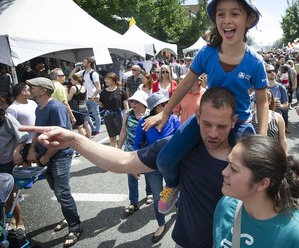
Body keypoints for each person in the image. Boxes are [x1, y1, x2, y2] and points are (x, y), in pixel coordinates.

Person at [20, 87, 237, 248]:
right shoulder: (179, 147)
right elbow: (123, 161)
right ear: (197, 117)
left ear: (234, 121)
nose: (213, 133)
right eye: (207, 124)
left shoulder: (248, 153)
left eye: (222, 126)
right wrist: (74, 140)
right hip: (188, 243)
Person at [143, 0, 269, 214]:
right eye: (221, 14)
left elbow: (262, 101)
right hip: (206, 119)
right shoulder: (206, 53)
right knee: (164, 160)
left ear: (249, 19)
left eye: (234, 13)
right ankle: (172, 186)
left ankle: (249, 211)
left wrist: (261, 137)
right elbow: (185, 84)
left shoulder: (255, 62)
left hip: (240, 123)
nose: (227, 20)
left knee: (253, 169)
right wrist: (166, 111)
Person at [213, 135, 299, 248]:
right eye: (228, 163)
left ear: (262, 183)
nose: (224, 172)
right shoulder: (226, 206)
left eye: (234, 169)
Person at [25, 77, 82, 247]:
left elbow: (62, 139)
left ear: (43, 90)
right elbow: (37, 131)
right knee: (57, 191)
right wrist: (32, 149)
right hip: (45, 157)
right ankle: (69, 216)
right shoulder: (39, 108)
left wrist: (46, 157)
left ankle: (75, 226)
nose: (29, 89)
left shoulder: (56, 108)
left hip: (59, 156)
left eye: (32, 87)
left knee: (62, 192)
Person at [134, 92, 180, 243]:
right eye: (162, 104)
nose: (167, 106)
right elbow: (137, 145)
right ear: (154, 108)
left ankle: (179, 209)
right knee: (157, 195)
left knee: (175, 189)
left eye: (167, 103)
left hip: (171, 164)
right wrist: (134, 166)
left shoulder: (174, 119)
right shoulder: (143, 123)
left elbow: (181, 141)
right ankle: (161, 224)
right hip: (151, 165)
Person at [117, 90, 153, 217]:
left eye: (136, 101)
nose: (133, 103)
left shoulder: (150, 114)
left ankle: (150, 193)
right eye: (132, 101)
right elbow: (123, 131)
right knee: (131, 177)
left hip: (146, 150)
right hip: (130, 150)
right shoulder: (128, 114)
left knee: (148, 173)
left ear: (144, 103)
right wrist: (118, 148)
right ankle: (133, 202)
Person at [0, 105, 29, 235]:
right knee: (1, 197)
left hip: (6, 161)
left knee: (9, 195)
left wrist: (17, 151)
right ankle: (9, 221)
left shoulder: (6, 118)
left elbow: (23, 136)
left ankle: (19, 221)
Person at [7, 82, 38, 167]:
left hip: (38, 138)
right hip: (26, 141)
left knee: (40, 160)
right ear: (23, 92)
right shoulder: (13, 109)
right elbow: (12, 128)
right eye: (29, 89)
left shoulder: (33, 103)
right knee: (27, 163)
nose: (31, 91)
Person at [69, 57, 102, 137]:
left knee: (96, 114)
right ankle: (93, 129)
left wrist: (93, 97)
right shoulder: (83, 72)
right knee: (86, 116)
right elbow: (71, 77)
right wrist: (76, 68)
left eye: (84, 61)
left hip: (93, 97)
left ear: (89, 64)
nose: (82, 63)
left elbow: (98, 87)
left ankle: (97, 130)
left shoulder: (93, 74)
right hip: (85, 97)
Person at [252, 89, 288, 153]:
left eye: (263, 101)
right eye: (258, 100)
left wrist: (285, 157)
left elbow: (282, 139)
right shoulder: (251, 118)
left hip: (274, 155)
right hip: (256, 156)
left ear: (269, 101)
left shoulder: (278, 117)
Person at [67, 73, 91, 140]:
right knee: (86, 123)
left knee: (80, 126)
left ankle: (84, 140)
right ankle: (89, 138)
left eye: (71, 80)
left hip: (77, 109)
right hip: (84, 107)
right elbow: (86, 99)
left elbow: (69, 99)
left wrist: (66, 93)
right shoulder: (84, 87)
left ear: (75, 80)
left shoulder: (73, 88)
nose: (71, 81)